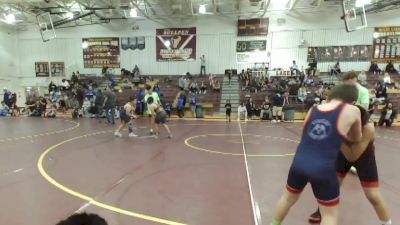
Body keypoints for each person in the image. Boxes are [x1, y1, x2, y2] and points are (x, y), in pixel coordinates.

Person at [270, 84, 362, 225]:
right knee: (329, 214)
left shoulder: (313, 109)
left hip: (299, 164)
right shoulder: (353, 110)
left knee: (288, 198)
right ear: (353, 101)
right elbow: (356, 138)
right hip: (323, 169)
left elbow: (305, 131)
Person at [308, 106, 392, 225]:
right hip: (342, 155)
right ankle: (321, 211)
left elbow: (352, 156)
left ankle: (387, 222)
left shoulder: (368, 128)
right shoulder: (339, 123)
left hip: (364, 157)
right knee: (331, 188)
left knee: (372, 194)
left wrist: (338, 136)